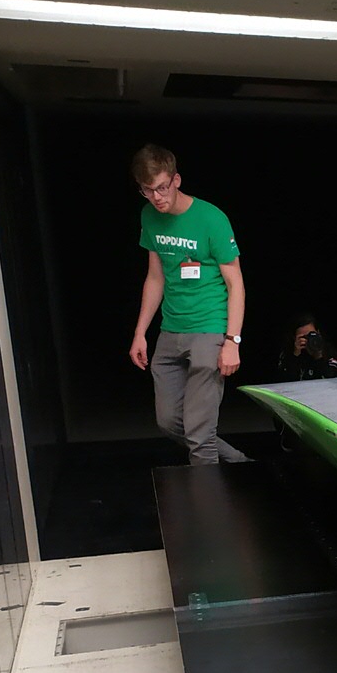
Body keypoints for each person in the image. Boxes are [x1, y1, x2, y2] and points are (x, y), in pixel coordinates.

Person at [127, 144, 249, 465]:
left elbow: (235, 282)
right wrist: (140, 333)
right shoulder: (149, 215)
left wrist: (232, 340)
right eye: (148, 191)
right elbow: (155, 278)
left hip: (209, 329)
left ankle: (206, 510)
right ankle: (238, 463)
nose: (157, 197)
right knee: (169, 422)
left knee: (199, 435)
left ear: (176, 180)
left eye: (162, 188)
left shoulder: (212, 219)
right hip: (171, 330)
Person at [278, 317, 337, 381]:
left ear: (318, 332)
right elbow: (284, 380)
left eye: (312, 335)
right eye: (303, 337)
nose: (309, 340)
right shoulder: (287, 352)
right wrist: (295, 355)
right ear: (294, 338)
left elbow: (330, 379)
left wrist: (318, 355)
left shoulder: (328, 350)